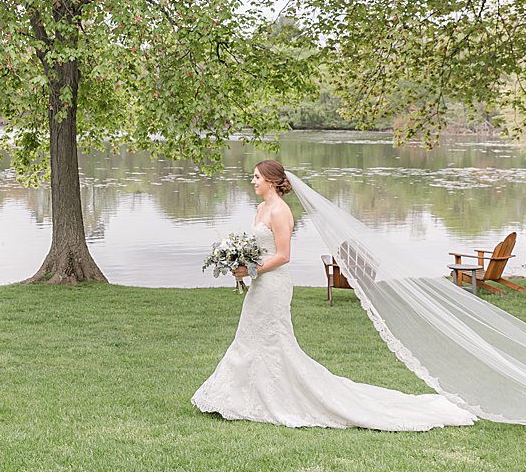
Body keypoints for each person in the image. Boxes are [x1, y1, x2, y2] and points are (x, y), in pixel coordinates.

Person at [191, 160, 476, 432]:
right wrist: (241, 264)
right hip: (259, 284)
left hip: (274, 283)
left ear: (272, 181)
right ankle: (239, 394)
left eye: (256, 176)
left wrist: (252, 268)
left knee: (273, 338)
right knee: (250, 335)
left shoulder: (280, 212)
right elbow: (258, 248)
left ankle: (277, 396)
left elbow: (283, 255)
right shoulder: (260, 208)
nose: (252, 180)